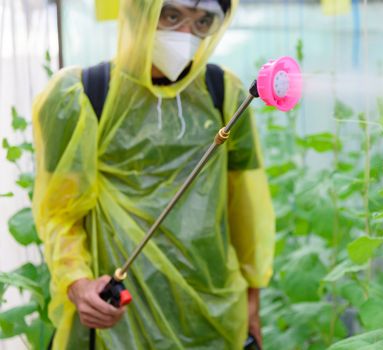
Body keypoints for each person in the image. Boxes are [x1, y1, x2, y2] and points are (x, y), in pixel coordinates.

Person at [32, 0, 275, 348]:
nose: (186, 35)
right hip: (118, 322)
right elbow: (60, 213)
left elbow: (247, 208)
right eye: (171, 15)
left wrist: (252, 302)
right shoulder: (81, 96)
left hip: (211, 313)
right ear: (137, 10)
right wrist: (79, 283)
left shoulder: (226, 94)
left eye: (203, 21)